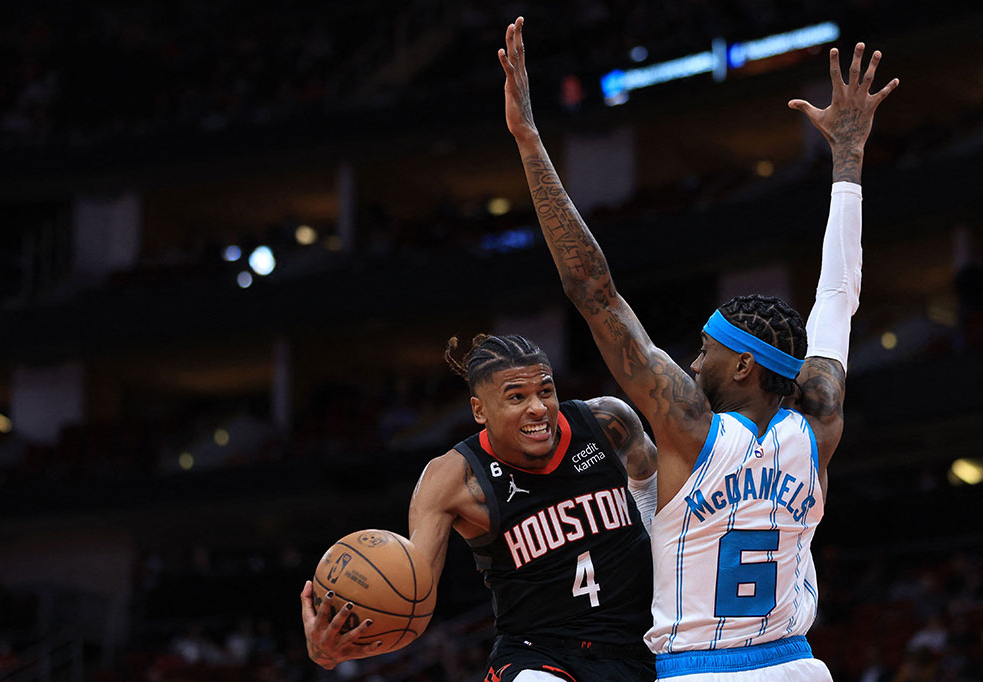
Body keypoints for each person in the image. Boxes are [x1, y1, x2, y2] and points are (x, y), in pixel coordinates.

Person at [498, 16, 898, 681]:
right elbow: (838, 298)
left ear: (742, 364)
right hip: (798, 667)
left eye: (706, 349)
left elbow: (593, 290)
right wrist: (848, 161)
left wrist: (529, 140)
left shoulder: (690, 428)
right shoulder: (817, 421)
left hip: (702, 670)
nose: (692, 361)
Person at [302, 333, 659, 681]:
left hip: (642, 640)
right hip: (541, 653)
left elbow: (652, 484)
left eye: (545, 391)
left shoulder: (606, 423)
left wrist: (650, 547)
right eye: (517, 397)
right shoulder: (452, 478)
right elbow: (414, 597)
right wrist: (332, 649)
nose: (538, 408)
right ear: (480, 409)